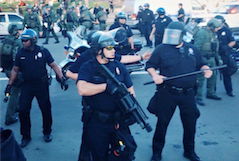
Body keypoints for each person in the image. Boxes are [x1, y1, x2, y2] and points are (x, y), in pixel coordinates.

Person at [146, 21, 212, 161]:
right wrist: (155, 75)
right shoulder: (161, 49)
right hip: (167, 92)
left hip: (188, 93)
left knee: (190, 124)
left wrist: (206, 70)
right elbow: (150, 65)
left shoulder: (192, 49)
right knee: (162, 123)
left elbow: (202, 64)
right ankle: (157, 152)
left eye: (175, 34)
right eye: (170, 33)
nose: (172, 37)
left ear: (182, 35)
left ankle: (189, 151)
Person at [76, 32, 136, 161]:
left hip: (118, 121)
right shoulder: (88, 67)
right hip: (97, 122)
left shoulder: (119, 67)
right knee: (99, 155)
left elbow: (131, 91)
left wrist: (129, 110)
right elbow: (82, 89)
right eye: (109, 48)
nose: (113, 51)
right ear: (98, 50)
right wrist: (105, 87)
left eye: (113, 47)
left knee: (124, 154)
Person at [4, 29, 68, 148]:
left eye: (25, 40)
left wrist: (62, 79)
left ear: (33, 40)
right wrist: (9, 85)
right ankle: (26, 136)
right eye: (22, 40)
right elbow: (15, 70)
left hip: (41, 85)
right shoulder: (20, 53)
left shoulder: (43, 51)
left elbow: (54, 65)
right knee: (23, 111)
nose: (23, 42)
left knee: (45, 109)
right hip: (26, 86)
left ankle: (47, 132)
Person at [66, 30, 151, 81]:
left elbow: (123, 58)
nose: (112, 50)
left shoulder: (108, 55)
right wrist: (90, 80)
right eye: (108, 47)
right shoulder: (85, 57)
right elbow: (69, 73)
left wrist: (141, 57)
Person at [193, 18, 223, 106]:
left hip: (211, 58)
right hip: (203, 59)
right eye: (216, 27)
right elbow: (196, 47)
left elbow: (215, 47)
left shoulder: (213, 34)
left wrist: (219, 58)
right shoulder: (202, 33)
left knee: (213, 76)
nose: (218, 29)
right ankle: (198, 96)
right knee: (201, 78)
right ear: (212, 26)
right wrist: (198, 61)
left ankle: (211, 93)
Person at [0, 23, 23, 126]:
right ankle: (9, 117)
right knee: (14, 91)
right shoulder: (17, 42)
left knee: (18, 89)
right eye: (19, 30)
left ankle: (16, 107)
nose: (21, 31)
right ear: (15, 31)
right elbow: (21, 57)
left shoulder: (5, 40)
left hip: (7, 69)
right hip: (15, 70)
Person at [215, 15, 236, 97]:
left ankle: (229, 91)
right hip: (214, 55)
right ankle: (212, 92)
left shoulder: (227, 30)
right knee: (212, 75)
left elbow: (233, 41)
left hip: (224, 55)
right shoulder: (212, 31)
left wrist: (227, 47)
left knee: (226, 74)